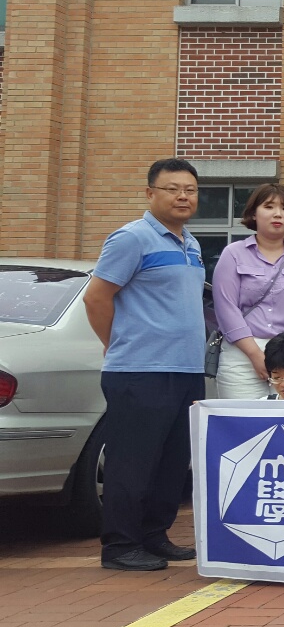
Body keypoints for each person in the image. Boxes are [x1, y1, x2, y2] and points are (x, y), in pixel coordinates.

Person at [83, 158, 207, 572]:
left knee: (171, 463)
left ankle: (154, 535)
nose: (183, 196)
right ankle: (120, 546)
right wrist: (115, 343)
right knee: (132, 463)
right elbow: (96, 298)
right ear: (150, 193)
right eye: (173, 189)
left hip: (186, 370)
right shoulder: (132, 238)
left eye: (190, 189)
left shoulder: (191, 243)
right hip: (140, 370)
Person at [211, 184, 284, 399]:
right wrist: (254, 354)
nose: (278, 214)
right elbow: (226, 309)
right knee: (244, 419)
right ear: (254, 213)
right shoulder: (233, 254)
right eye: (269, 206)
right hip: (242, 355)